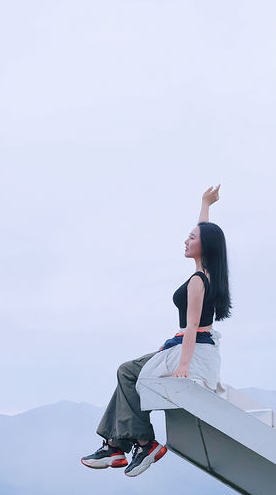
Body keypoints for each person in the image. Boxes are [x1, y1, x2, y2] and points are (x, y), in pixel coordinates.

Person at [81, 185, 232, 477]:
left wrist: (183, 367)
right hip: (198, 347)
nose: (186, 240)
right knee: (128, 370)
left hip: (192, 350)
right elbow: (205, 229)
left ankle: (142, 443)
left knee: (135, 375)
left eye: (192, 238)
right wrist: (205, 203)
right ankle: (115, 445)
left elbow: (191, 327)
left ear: (205, 246)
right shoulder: (208, 272)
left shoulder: (198, 281)